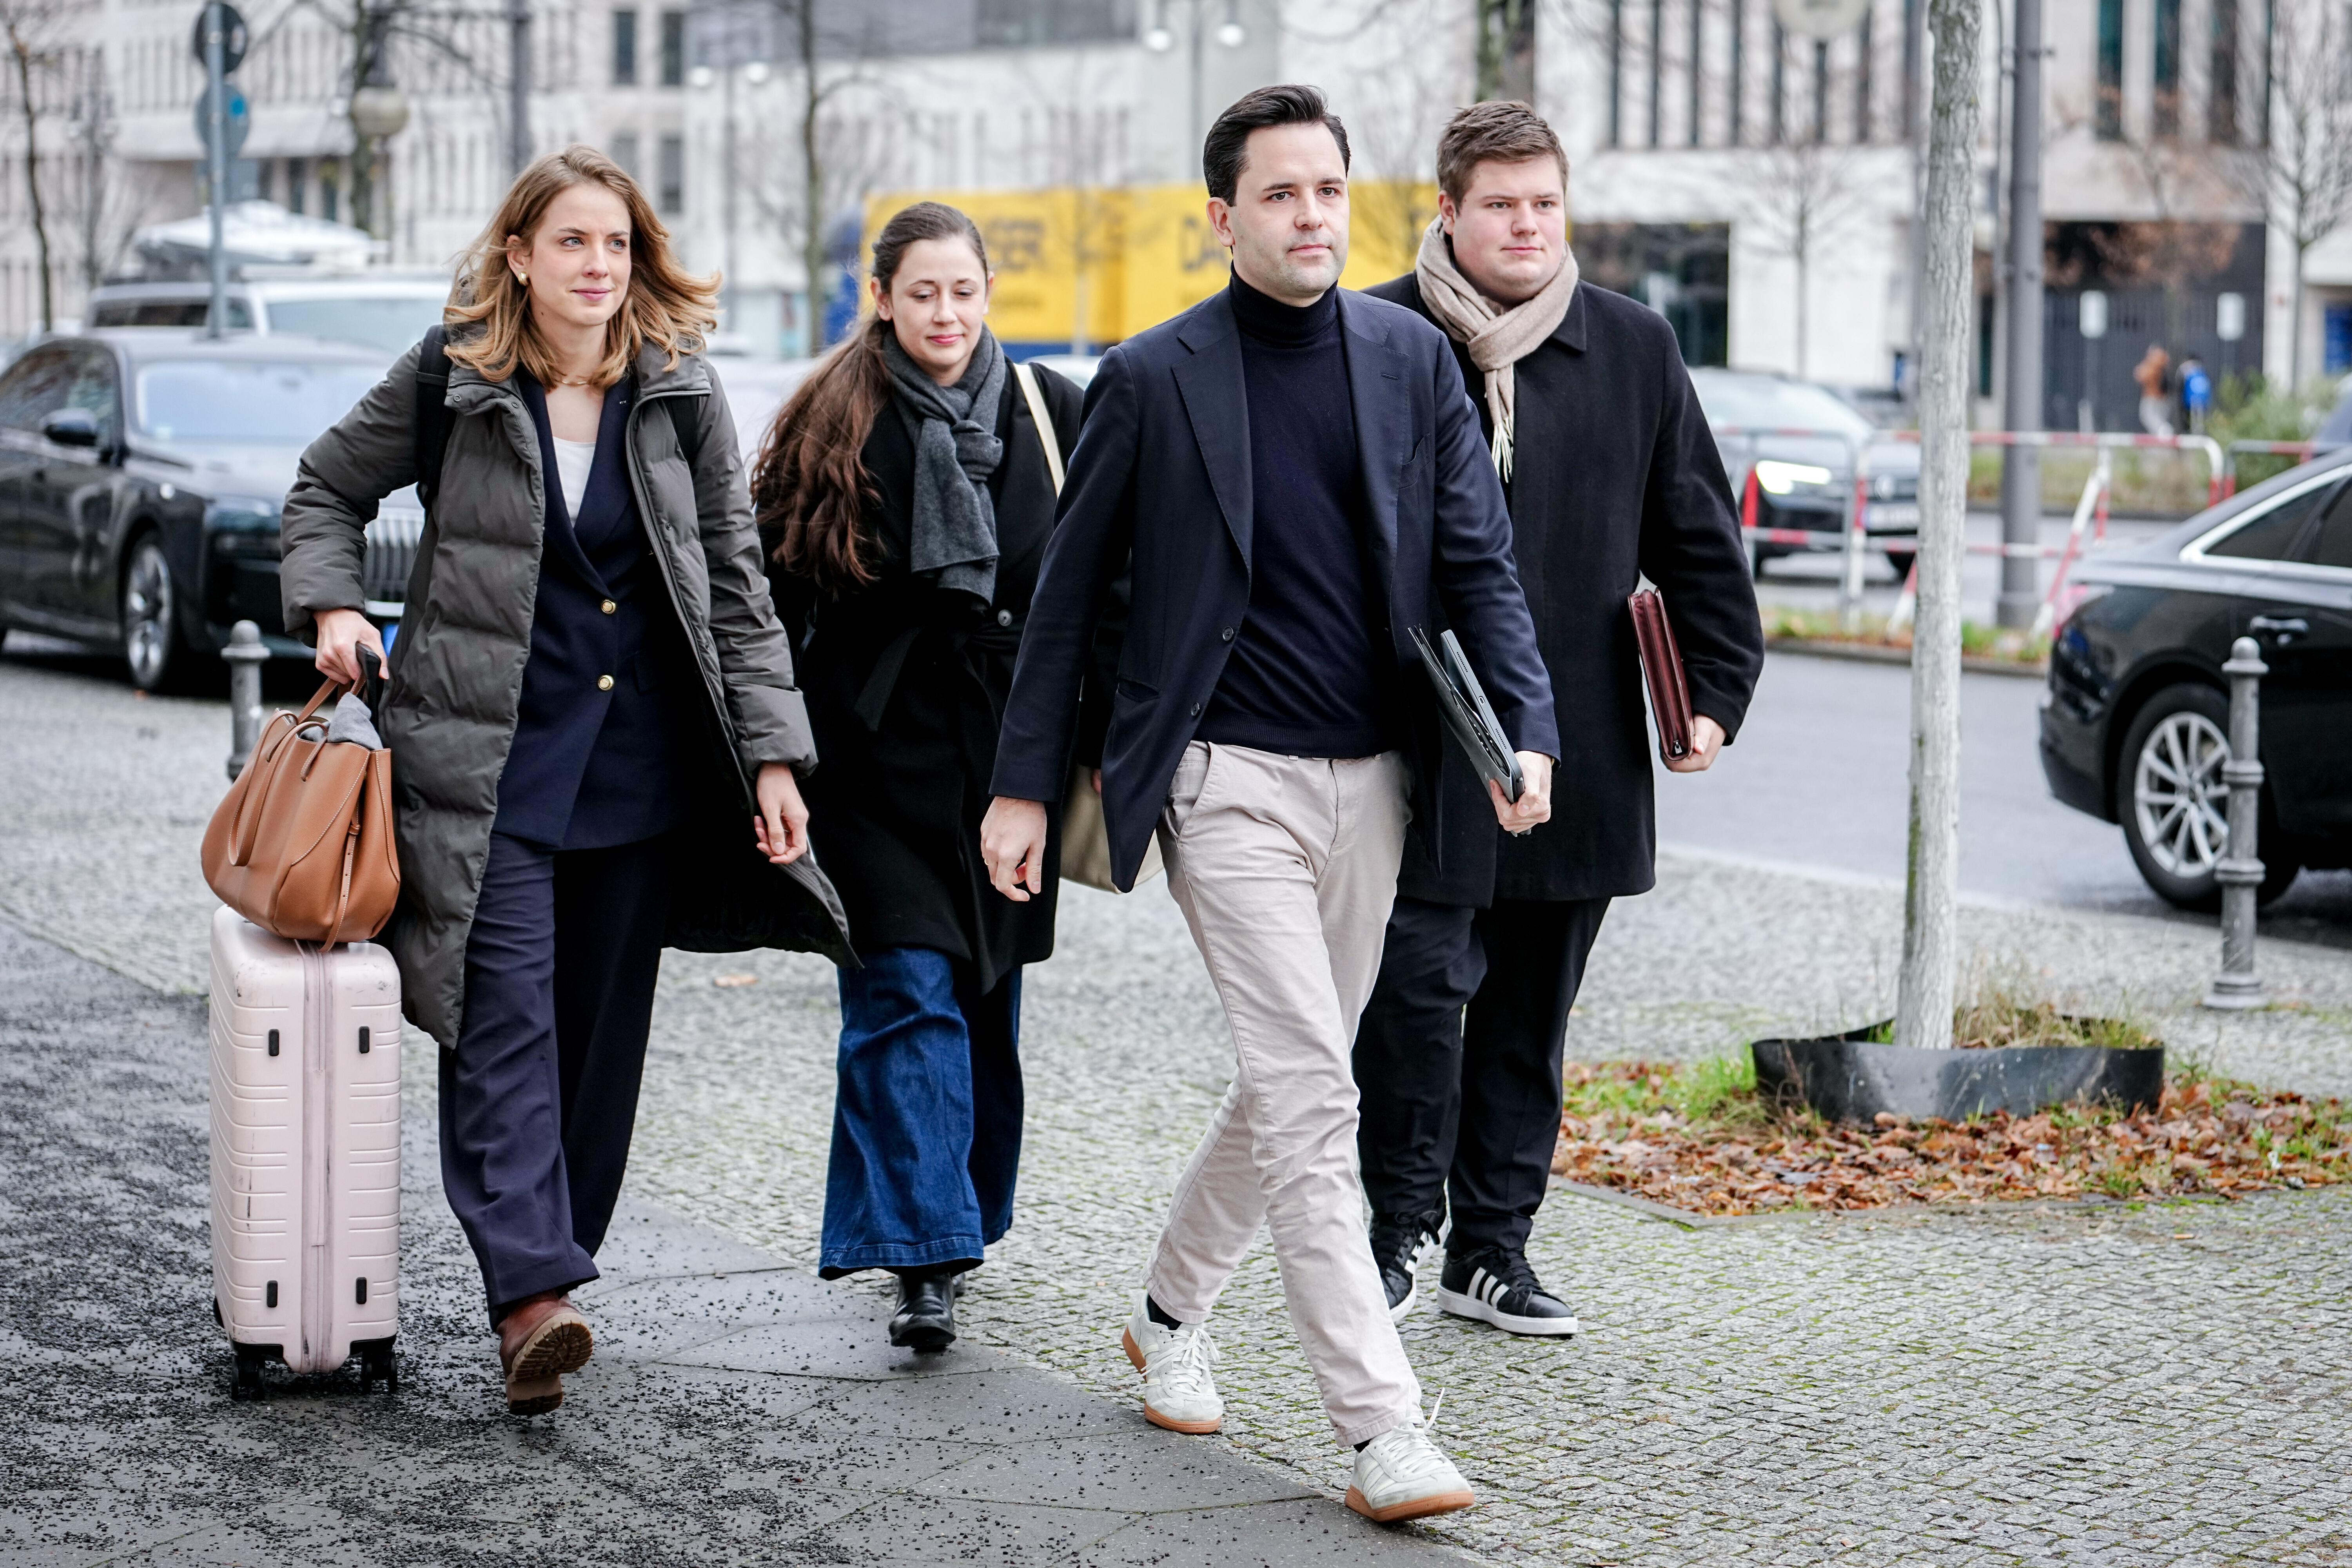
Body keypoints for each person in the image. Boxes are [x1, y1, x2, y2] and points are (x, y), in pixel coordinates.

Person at [980, 84, 1558, 1525]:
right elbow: (1064, 604)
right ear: (1222, 214)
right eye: (1281, 193)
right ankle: (1382, 1428)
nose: (1311, 216)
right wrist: (1020, 788)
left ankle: (1170, 1308)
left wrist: (1524, 729)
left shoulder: (1409, 362)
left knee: (1288, 1079)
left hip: (1378, 779)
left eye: (1328, 191)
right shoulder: (1154, 375)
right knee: (1315, 1096)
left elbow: (1478, 563)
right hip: (1220, 781)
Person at [278, 145, 851, 1417]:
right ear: (520, 257)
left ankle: (548, 1278)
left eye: (619, 245)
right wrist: (330, 601)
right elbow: (326, 483)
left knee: (599, 1046)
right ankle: (528, 1294)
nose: (599, 266)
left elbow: (740, 592)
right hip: (487, 763)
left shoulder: (681, 396)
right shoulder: (457, 379)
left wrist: (771, 756)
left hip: (643, 769)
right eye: (574, 242)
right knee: (504, 1024)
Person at [1351, 101, 1764, 1336]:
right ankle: (1390, 1231)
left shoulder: (1631, 346)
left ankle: (1491, 1247)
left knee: (1530, 1012)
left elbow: (1696, 538)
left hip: (1572, 735)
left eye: (1542, 204)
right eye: (1498, 206)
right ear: (1448, 211)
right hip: (1409, 733)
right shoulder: (1369, 333)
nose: (1524, 227)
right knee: (1414, 994)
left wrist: (1711, 698)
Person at [755, 202, 1083, 1352]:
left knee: (985, 1000)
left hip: (1011, 751)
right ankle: (925, 1254)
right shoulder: (831, 420)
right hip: (870, 753)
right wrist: (772, 755)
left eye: (963, 291)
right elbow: (766, 604)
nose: (945, 313)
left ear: (987, 294)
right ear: (882, 298)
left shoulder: (1052, 412)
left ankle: (959, 1212)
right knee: (903, 995)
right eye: (922, 293)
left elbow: (1108, 584)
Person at [2136, 344, 2174, 437]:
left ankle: (2165, 432)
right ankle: (2159, 439)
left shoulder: (2155, 367)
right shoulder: (2160, 364)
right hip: (2157, 399)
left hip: (2154, 399)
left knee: (2154, 420)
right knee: (2150, 419)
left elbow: (2141, 375)